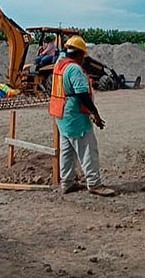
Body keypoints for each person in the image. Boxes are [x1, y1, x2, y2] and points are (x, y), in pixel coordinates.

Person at [48, 36, 115, 196]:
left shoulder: (60, 65)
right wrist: (95, 113)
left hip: (62, 113)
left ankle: (67, 182)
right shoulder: (74, 69)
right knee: (88, 149)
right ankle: (94, 183)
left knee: (67, 150)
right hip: (75, 116)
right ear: (79, 54)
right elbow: (82, 94)